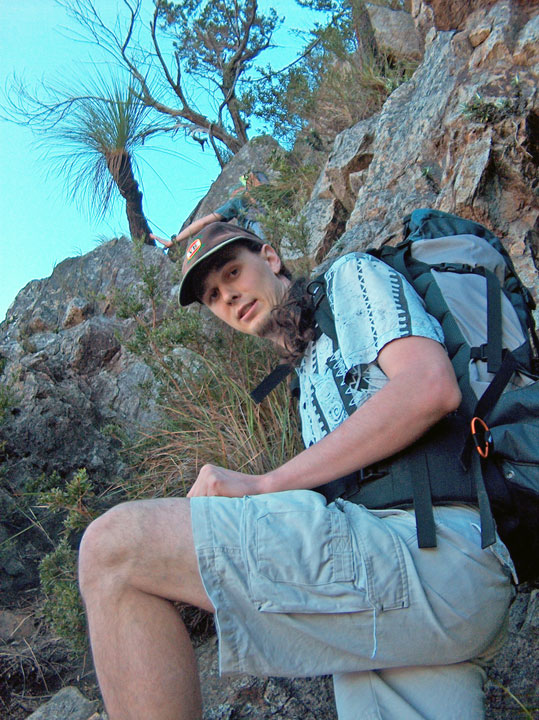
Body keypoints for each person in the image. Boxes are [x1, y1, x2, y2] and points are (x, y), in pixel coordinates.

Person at [78, 222, 515, 720]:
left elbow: (429, 388)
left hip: (439, 548)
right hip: (421, 602)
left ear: (271, 256)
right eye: (215, 296)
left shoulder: (350, 277)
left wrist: (265, 485)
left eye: (234, 271)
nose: (229, 297)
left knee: (113, 549)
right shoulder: (303, 375)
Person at [150, 171, 267, 250]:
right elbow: (203, 223)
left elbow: (203, 223)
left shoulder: (239, 201)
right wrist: (175, 241)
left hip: (260, 235)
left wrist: (175, 241)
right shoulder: (239, 202)